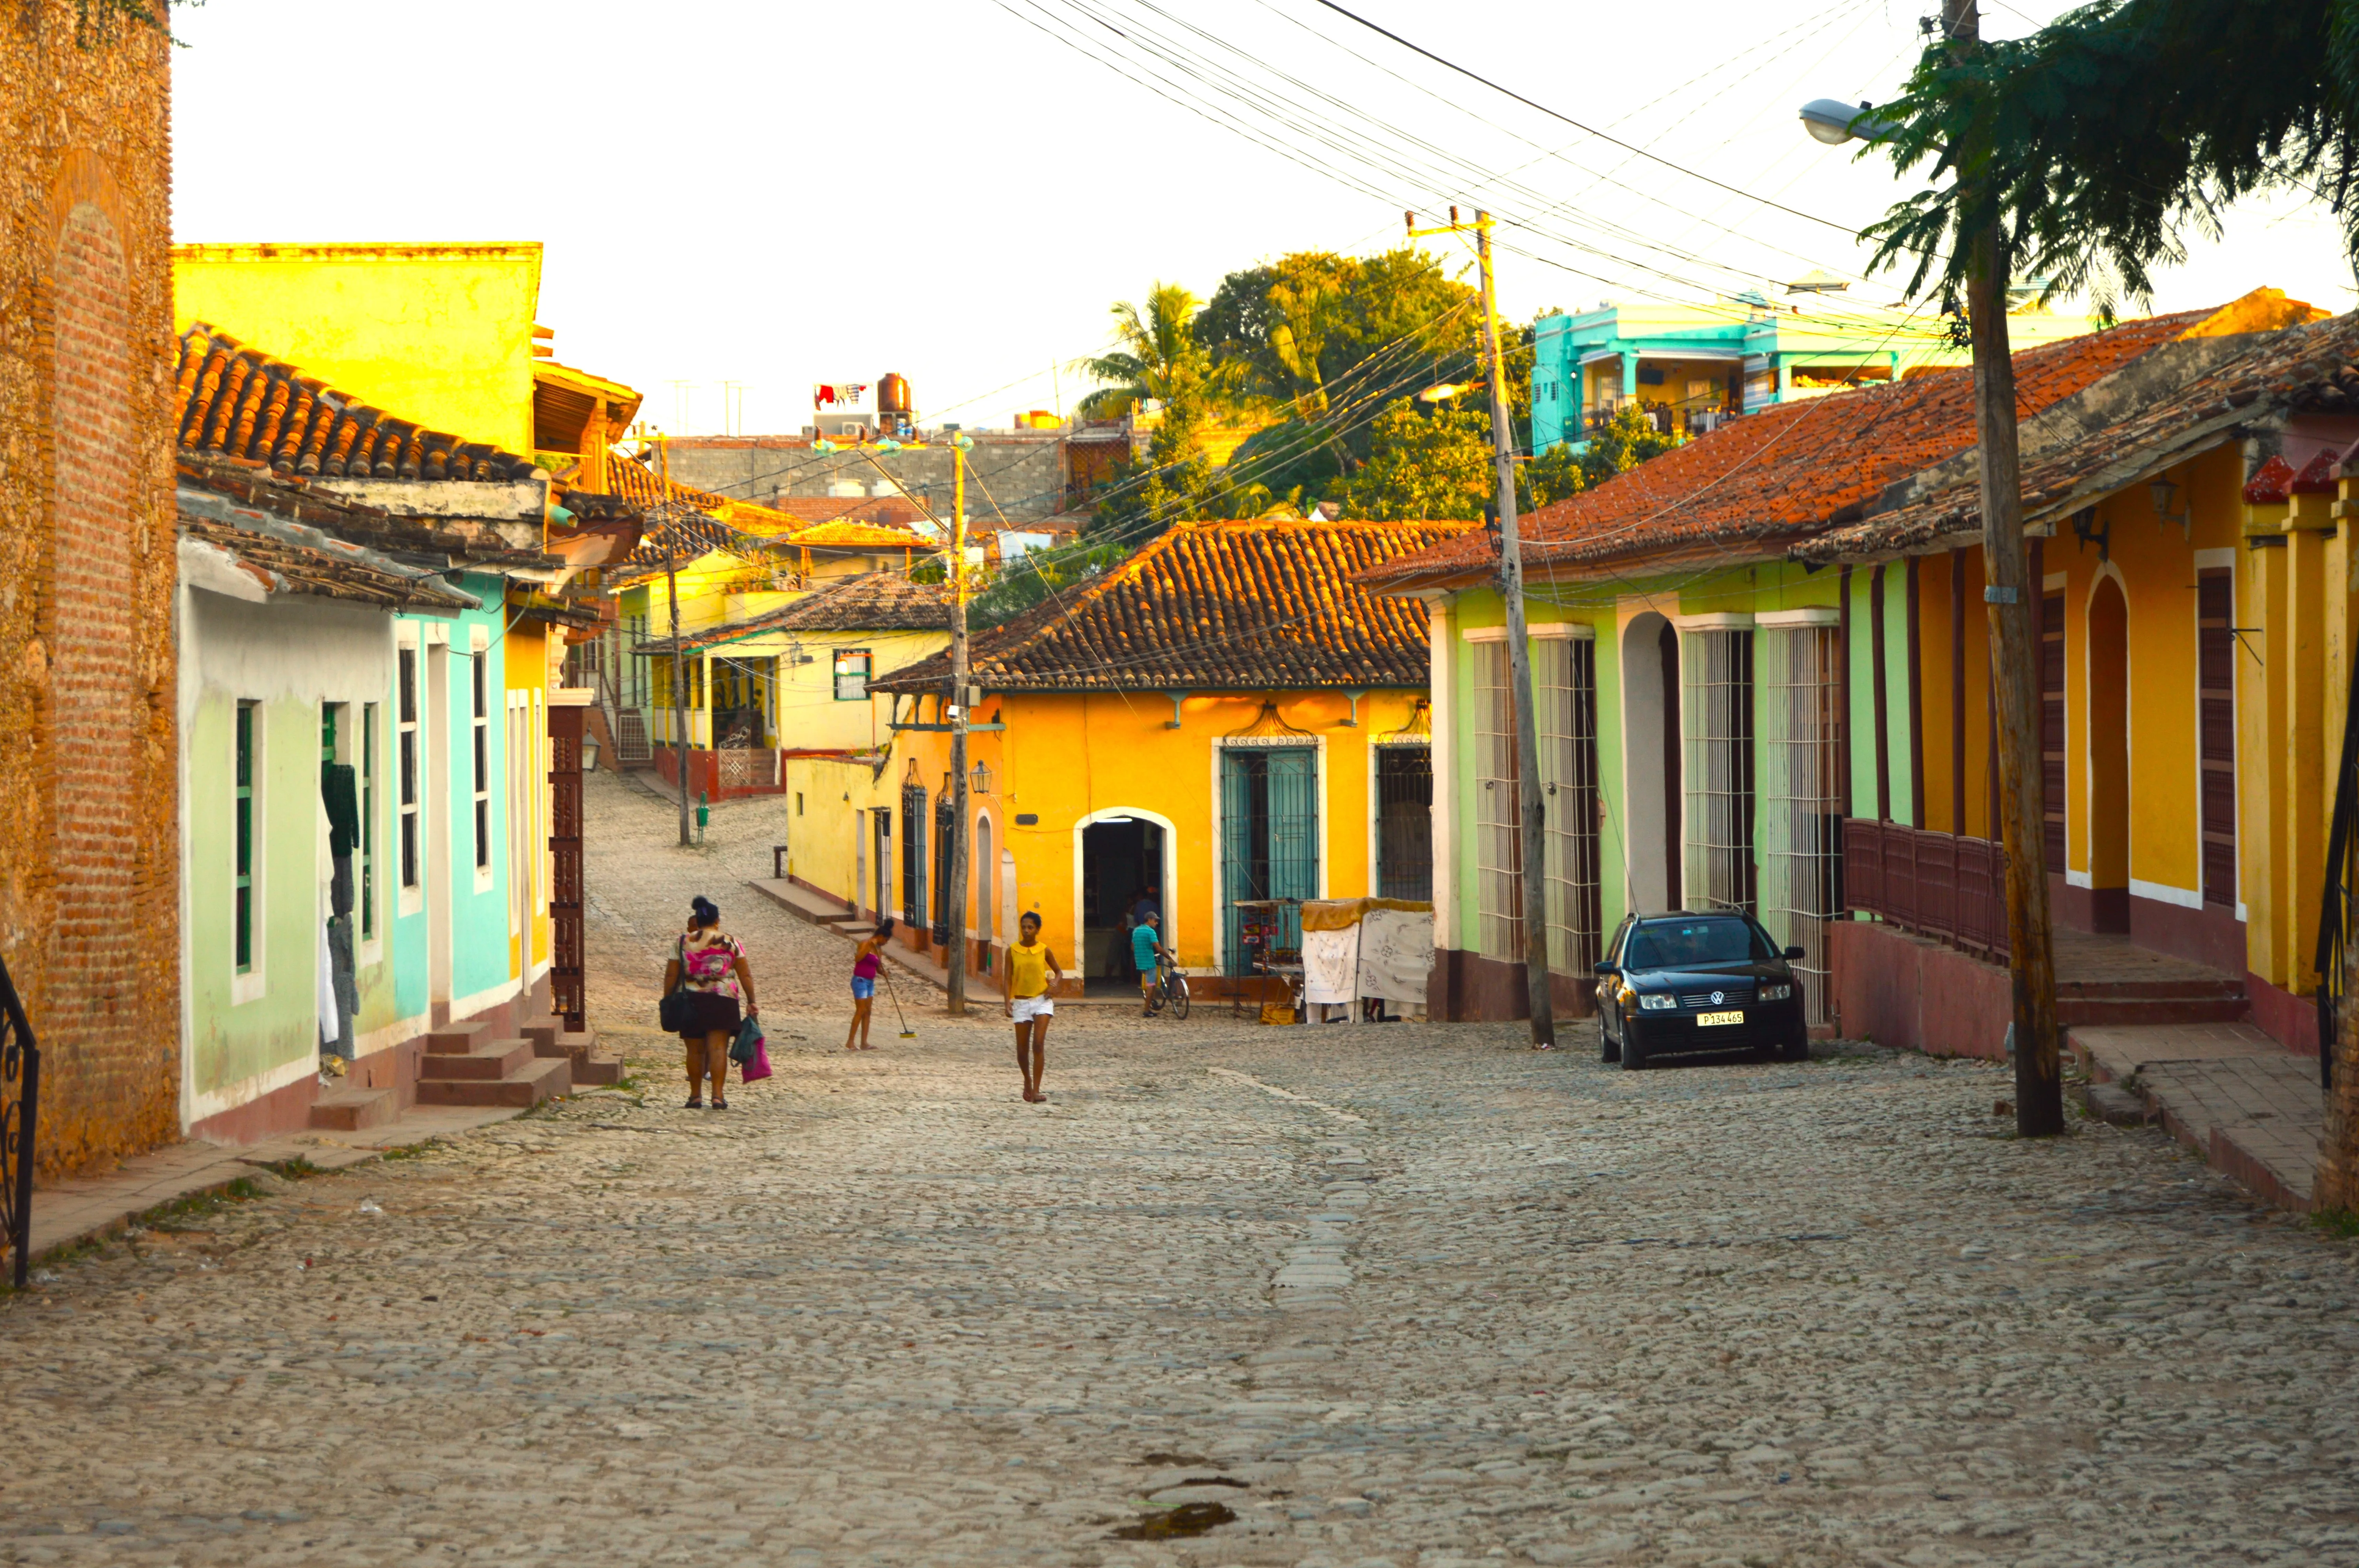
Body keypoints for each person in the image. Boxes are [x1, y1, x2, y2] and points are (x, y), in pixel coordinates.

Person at [662, 895, 756, 1110]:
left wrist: (668, 999)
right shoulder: (731, 942)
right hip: (723, 999)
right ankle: (718, 1096)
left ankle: (695, 1096)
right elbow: (746, 975)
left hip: (691, 1001)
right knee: (718, 1048)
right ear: (717, 920)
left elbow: (671, 975)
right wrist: (752, 1001)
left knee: (694, 1050)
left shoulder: (682, 942)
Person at [1005, 910, 1064, 1103]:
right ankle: (1027, 1081)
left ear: (1038, 930)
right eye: (1023, 927)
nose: (1026, 931)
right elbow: (1007, 979)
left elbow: (1059, 972)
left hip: (1042, 1001)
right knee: (1021, 1051)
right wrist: (1007, 1002)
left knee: (1038, 1044)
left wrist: (1054, 985)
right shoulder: (1012, 951)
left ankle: (1036, 1090)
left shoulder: (1044, 950)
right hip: (1021, 1003)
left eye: (1030, 927)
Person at [844, 918, 894, 1052]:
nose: (886, 943)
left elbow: (878, 967)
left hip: (870, 982)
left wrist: (883, 972)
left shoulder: (879, 950)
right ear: (881, 937)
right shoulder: (865, 944)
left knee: (868, 1012)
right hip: (860, 981)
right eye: (886, 940)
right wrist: (869, 947)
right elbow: (858, 958)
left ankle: (864, 1043)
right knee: (860, 1011)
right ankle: (850, 1042)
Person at [1132, 911, 1169, 1016]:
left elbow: (1133, 947)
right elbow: (1158, 948)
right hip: (1149, 963)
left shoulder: (1136, 931)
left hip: (1140, 963)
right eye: (1155, 921)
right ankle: (1147, 1011)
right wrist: (1170, 958)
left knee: (1150, 984)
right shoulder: (1151, 932)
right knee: (1151, 986)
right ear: (1150, 920)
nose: (1156, 923)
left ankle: (1152, 1002)